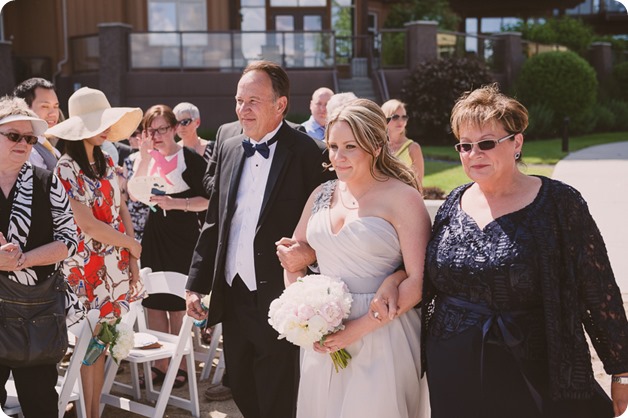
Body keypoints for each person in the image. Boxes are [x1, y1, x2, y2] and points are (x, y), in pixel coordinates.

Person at [419, 84, 628, 418]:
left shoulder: (560, 203)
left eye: (487, 143)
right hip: (454, 365)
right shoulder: (451, 205)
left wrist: (621, 369)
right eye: (465, 145)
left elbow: (597, 286)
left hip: (536, 362)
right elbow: (426, 277)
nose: (475, 154)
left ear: (516, 142)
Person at [185, 60, 329, 418]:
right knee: (243, 387)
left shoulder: (309, 152)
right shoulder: (230, 145)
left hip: (280, 295)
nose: (241, 109)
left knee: (279, 393)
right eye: (238, 100)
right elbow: (215, 222)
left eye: (253, 101)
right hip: (233, 293)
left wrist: (308, 258)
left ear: (280, 105)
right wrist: (195, 284)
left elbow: (325, 223)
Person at [282, 99, 431, 418]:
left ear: (376, 146)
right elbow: (294, 258)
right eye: (333, 146)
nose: (339, 156)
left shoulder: (403, 197)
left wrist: (358, 329)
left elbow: (419, 280)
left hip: (383, 334)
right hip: (323, 334)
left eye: (351, 146)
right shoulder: (321, 194)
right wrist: (306, 317)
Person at [47, 87, 145, 418]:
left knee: (102, 340)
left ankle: (94, 411)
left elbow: (121, 208)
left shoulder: (105, 159)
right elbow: (86, 224)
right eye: (97, 122)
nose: (105, 127)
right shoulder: (65, 167)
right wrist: (129, 244)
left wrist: (133, 255)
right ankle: (88, 412)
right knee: (89, 342)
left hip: (115, 264)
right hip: (85, 267)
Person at [0, 96, 83, 417]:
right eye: (14, 136)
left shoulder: (47, 183)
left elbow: (69, 241)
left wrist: (21, 260)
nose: (23, 143)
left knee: (40, 406)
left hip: (34, 316)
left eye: (30, 138)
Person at [130, 104, 209, 388]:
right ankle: (159, 364)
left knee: (177, 304)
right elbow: (134, 192)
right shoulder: (146, 158)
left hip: (183, 235)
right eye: (151, 130)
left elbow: (209, 200)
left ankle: (179, 363)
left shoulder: (190, 159)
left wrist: (177, 203)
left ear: (175, 129)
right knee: (153, 301)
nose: (157, 135)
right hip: (155, 233)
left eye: (163, 128)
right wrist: (142, 156)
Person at [13, 77, 62, 170]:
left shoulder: (45, 144)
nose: (53, 113)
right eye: (45, 106)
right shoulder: (26, 150)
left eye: (56, 106)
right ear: (25, 108)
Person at [381, 99, 424, 186]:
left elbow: (418, 184)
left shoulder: (413, 148)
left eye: (404, 117)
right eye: (395, 117)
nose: (401, 121)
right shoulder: (377, 146)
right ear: (384, 118)